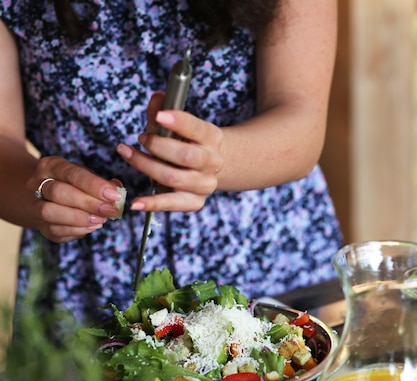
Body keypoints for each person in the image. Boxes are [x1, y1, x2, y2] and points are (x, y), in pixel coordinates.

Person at [0, 0, 342, 333]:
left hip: (268, 252)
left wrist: (217, 160)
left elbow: (303, 122)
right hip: (83, 276)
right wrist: (43, 195)